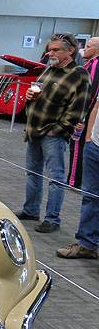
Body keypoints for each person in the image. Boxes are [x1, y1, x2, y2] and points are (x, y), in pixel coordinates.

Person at [18, 33, 91, 233]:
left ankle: (53, 218)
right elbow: (36, 93)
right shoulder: (49, 70)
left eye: (56, 50)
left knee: (56, 178)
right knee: (32, 173)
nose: (51, 53)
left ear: (70, 51)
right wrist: (29, 96)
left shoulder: (79, 75)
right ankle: (31, 209)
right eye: (50, 49)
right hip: (34, 131)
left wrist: (57, 131)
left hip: (53, 135)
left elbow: (79, 109)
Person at [57, 96, 99, 259]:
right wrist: (88, 138)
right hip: (94, 146)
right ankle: (87, 245)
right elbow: (96, 106)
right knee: (90, 197)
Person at [68, 37, 99, 188]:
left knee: (76, 147)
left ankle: (73, 181)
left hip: (83, 116)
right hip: (85, 115)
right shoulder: (91, 64)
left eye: (88, 46)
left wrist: (81, 117)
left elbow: (89, 92)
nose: (85, 49)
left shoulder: (95, 65)